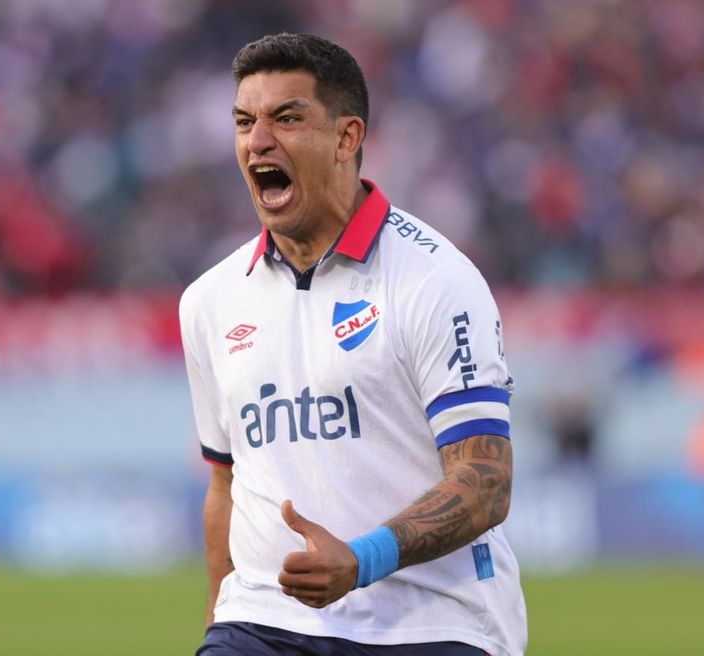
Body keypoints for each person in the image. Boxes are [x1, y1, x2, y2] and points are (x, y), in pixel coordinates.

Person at [179, 33, 526, 656]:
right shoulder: (209, 301)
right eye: (244, 122)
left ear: (346, 138)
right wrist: (216, 623)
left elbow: (485, 478)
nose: (258, 141)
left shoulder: (436, 281)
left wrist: (363, 560)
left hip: (429, 622)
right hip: (262, 622)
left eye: (287, 118)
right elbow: (225, 486)